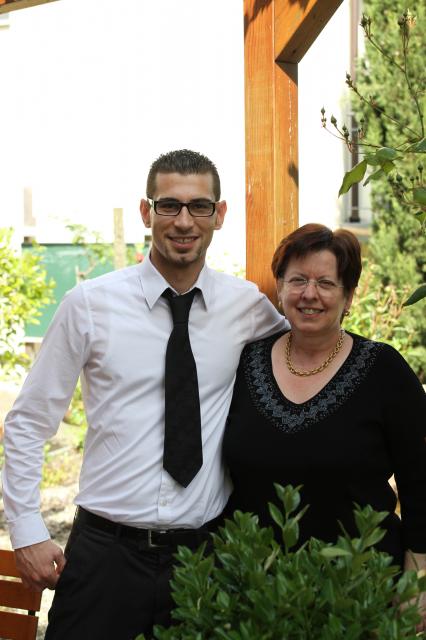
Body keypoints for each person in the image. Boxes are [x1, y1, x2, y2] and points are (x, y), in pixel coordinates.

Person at [2, 149, 287, 640]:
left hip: (203, 561)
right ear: (145, 211)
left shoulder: (246, 307)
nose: (184, 221)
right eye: (169, 205)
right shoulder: (89, 305)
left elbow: (306, 355)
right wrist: (27, 530)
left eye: (199, 206)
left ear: (219, 215)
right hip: (103, 558)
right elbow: (29, 422)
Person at [223, 223, 426, 628]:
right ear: (280, 288)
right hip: (257, 592)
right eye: (297, 280)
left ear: (348, 296)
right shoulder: (243, 363)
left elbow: (420, 478)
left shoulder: (383, 370)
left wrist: (418, 577)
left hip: (360, 591)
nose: (309, 294)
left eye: (326, 283)